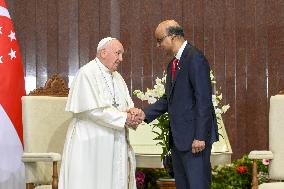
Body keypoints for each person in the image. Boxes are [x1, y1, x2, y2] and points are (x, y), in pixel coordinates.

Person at [141, 20, 219, 189]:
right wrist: (143, 114)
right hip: (179, 140)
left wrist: (200, 136)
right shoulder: (173, 65)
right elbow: (167, 99)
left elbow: (203, 100)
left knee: (197, 185)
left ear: (173, 37)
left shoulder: (195, 58)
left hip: (195, 141)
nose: (158, 45)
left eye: (160, 40)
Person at [59, 37, 141, 189]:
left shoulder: (117, 77)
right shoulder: (86, 73)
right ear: (103, 52)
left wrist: (133, 113)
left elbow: (125, 105)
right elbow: (93, 110)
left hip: (114, 140)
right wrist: (125, 118)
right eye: (118, 53)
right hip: (91, 141)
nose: (121, 59)